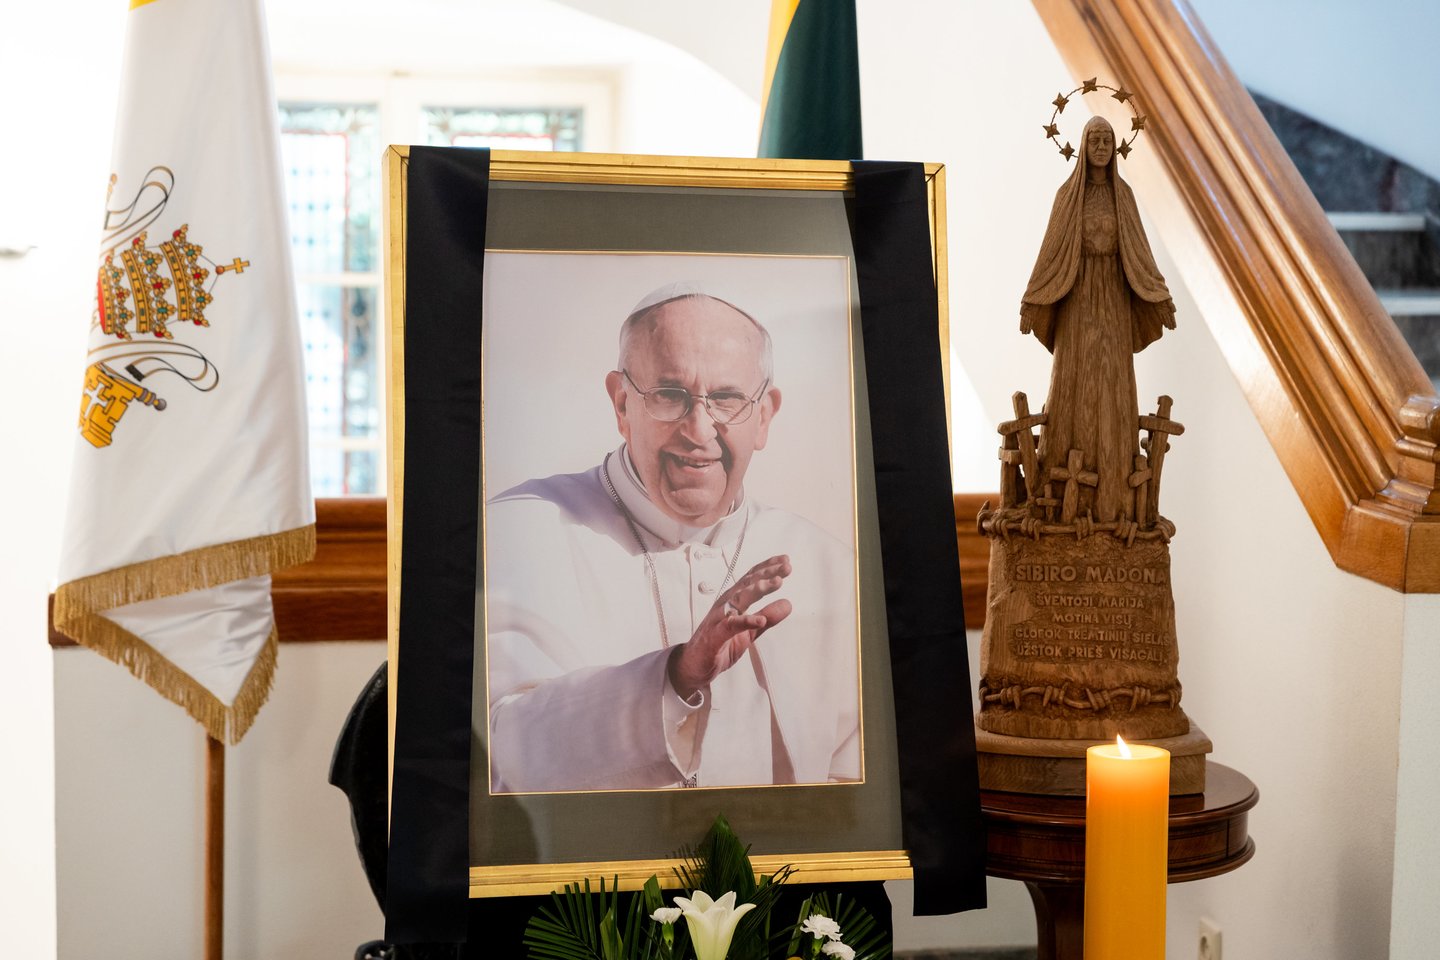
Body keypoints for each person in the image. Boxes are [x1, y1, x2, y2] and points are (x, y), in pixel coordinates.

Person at [484, 283, 860, 793]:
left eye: (727, 398)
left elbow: (853, 785)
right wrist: (673, 679)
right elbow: (499, 752)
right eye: (669, 395)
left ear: (764, 416)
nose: (699, 430)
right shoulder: (518, 533)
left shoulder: (830, 567)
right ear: (621, 404)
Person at [1020, 115, 1177, 523]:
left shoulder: (1123, 196)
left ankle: (1114, 497)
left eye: (1108, 139)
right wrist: (1033, 301)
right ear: (1084, 146)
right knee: (1072, 381)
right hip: (1077, 300)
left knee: (1113, 384)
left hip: (1114, 299)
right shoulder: (1067, 196)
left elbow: (1140, 253)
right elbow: (1051, 253)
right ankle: (1061, 491)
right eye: (1096, 140)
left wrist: (1159, 297)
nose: (1103, 146)